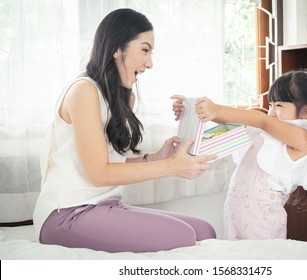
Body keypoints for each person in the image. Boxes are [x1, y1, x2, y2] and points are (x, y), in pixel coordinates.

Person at [33, 8, 217, 253]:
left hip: (104, 206)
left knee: (205, 231)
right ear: (116, 48)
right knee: (182, 235)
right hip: (67, 214)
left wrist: (155, 158)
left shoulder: (119, 96)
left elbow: (108, 162)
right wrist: (172, 168)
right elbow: (99, 174)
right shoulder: (84, 91)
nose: (150, 63)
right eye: (144, 50)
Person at [171, 69, 307, 240]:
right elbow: (232, 123)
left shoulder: (303, 139)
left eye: (279, 105)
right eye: (271, 105)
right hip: (233, 214)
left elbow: (262, 121)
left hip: (263, 222)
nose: (272, 112)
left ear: (306, 111)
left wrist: (215, 109)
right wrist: (195, 110)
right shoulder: (262, 130)